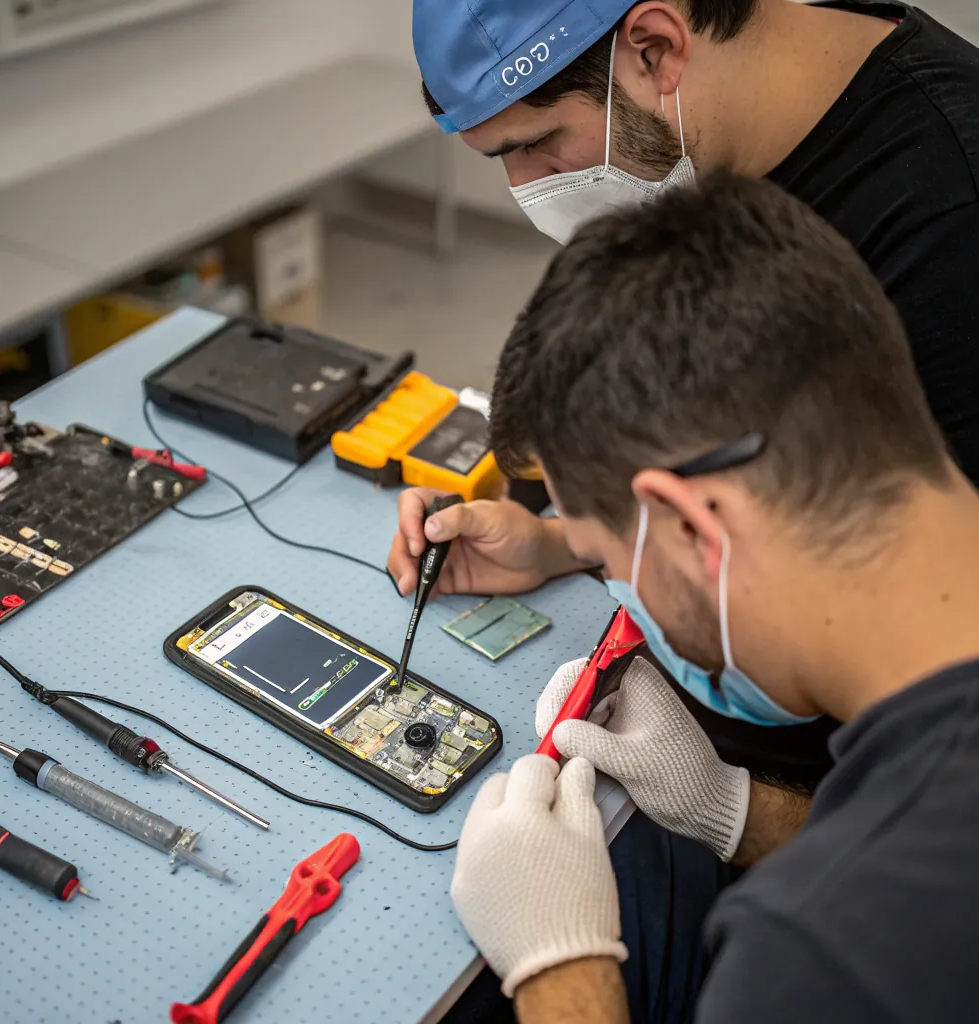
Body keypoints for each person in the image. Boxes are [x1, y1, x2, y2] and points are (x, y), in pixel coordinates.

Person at [401, 0, 979, 790]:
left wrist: (740, 815)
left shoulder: (948, 224)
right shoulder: (697, 139)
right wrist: (581, 540)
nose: (530, 193)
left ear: (655, 46)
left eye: (538, 144)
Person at [445, 173, 979, 1023]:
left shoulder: (815, 954)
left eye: (605, 559)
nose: (622, 596)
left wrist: (561, 969)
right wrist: (738, 812)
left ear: (696, 528)